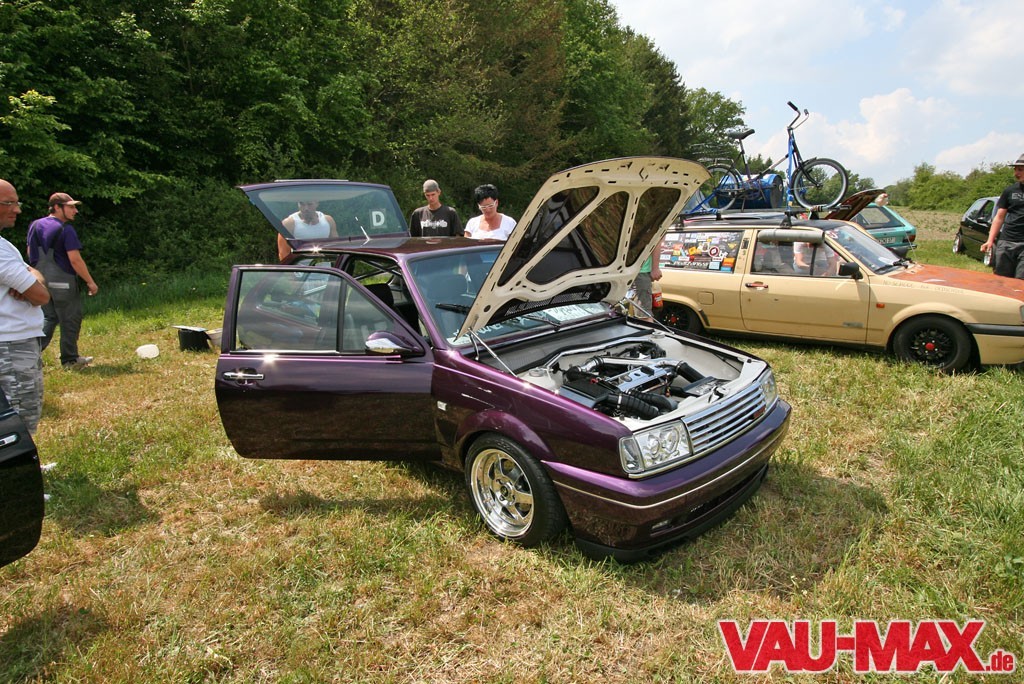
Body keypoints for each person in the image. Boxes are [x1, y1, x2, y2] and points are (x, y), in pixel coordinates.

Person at [0, 179, 50, 433]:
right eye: (9, 203)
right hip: (11, 347)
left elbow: (34, 275)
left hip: (13, 343)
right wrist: (32, 281)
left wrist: (30, 276)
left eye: (16, 202)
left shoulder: (4, 245)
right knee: (18, 422)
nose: (17, 209)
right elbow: (41, 296)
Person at [27, 192, 97, 370]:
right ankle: (70, 359)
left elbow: (30, 253)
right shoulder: (66, 229)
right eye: (71, 207)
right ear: (57, 207)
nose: (75, 211)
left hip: (39, 280)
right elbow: (75, 260)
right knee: (70, 318)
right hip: (63, 281)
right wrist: (90, 281)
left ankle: (29, 355)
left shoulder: (35, 225)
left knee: (49, 318)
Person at [982, 154, 1024, 279]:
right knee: (1001, 280)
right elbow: (999, 217)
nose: (1016, 173)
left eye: (1020, 170)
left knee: (1020, 282)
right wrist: (990, 240)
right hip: (1006, 242)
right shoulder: (1009, 191)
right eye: (1015, 169)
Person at [632, 255, 662, 321]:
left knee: (643, 315)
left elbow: (656, 247)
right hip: (623, 271)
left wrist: (655, 268)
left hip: (641, 272)